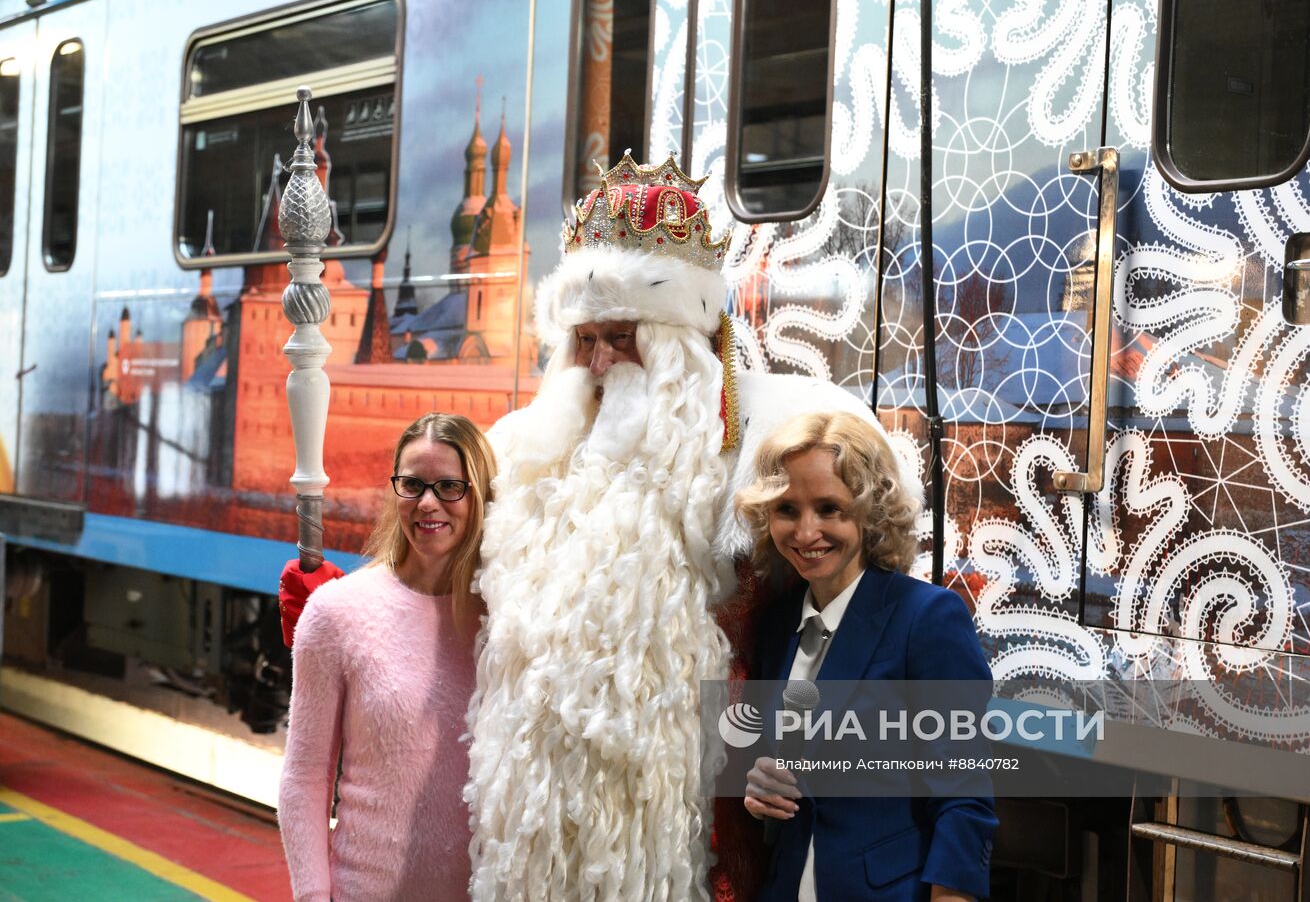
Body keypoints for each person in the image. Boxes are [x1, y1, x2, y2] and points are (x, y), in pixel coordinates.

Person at [465, 154, 923, 901]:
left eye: (623, 333)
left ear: (684, 338)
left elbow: (863, 622)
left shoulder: (770, 436)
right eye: (585, 337)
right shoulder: (527, 448)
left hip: (702, 822)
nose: (602, 359)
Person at [736, 411, 997, 901]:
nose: (806, 532)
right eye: (787, 509)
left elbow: (963, 800)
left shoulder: (927, 619)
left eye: (830, 508)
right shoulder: (776, 625)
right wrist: (760, 790)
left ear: (870, 510)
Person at [278, 412, 496, 902]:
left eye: (449, 487)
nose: (427, 502)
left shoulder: (510, 622)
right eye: (412, 483)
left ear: (479, 494)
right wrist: (313, 897)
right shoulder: (336, 613)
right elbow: (305, 778)